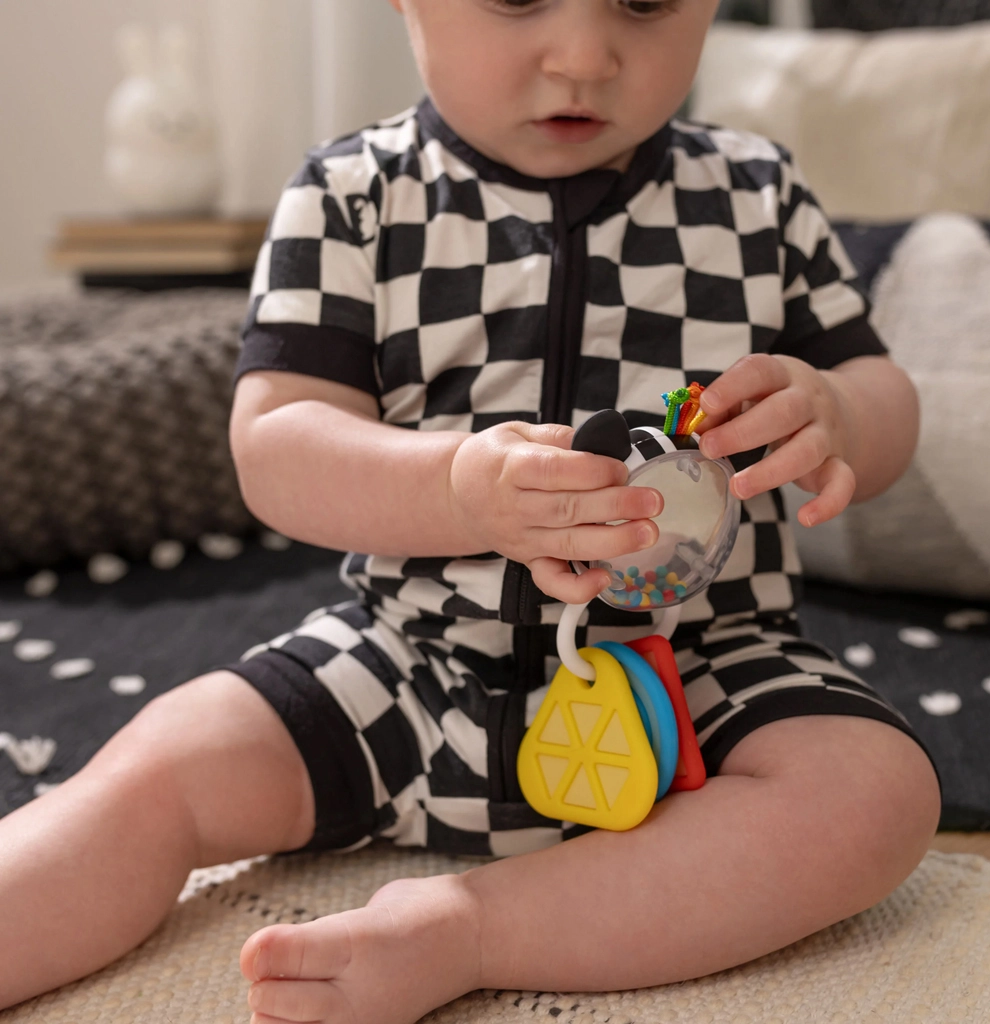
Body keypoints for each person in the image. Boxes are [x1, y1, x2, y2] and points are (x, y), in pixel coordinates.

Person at [0, 0, 942, 1021]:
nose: (584, 55)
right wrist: (453, 488)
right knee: (158, 768)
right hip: (406, 662)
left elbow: (883, 399)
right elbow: (275, 445)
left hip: (696, 670)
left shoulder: (758, 196)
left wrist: (841, 413)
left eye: (643, 2)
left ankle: (473, 928)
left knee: (873, 794)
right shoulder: (351, 195)